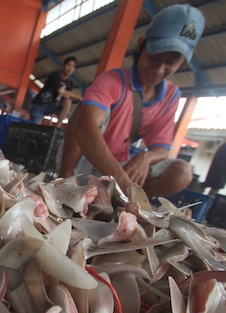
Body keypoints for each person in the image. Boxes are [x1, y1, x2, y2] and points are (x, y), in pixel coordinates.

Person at [59, 4, 204, 197]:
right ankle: (64, 181)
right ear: (141, 45)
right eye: (154, 57)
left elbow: (162, 148)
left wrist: (146, 157)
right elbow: (85, 129)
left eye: (170, 62)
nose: (159, 69)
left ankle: (116, 199)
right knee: (82, 113)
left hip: (120, 167)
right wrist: (126, 186)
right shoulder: (112, 81)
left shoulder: (171, 95)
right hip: (87, 162)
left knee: (181, 174)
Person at [29, 56, 83, 126]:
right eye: (68, 65)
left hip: (52, 106)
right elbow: (61, 90)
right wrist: (80, 98)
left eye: (73, 66)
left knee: (68, 101)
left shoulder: (70, 83)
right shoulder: (55, 75)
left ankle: (57, 126)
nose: (70, 68)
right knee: (34, 128)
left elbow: (65, 95)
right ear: (63, 66)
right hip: (39, 105)